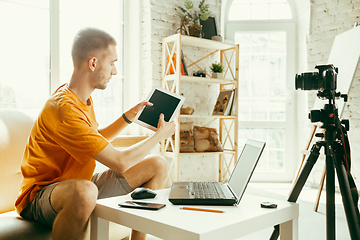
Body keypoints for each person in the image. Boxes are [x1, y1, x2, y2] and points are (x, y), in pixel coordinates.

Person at [15, 27, 175, 240]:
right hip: (41, 196)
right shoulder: (63, 109)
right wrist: (159, 136)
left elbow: (94, 138)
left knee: (158, 164)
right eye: (112, 63)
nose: (115, 72)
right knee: (86, 191)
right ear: (93, 63)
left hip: (81, 183)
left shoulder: (83, 101)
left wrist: (129, 116)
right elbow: (119, 162)